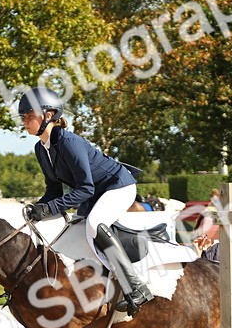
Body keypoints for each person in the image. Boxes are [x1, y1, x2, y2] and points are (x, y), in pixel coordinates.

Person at [18, 86, 153, 315]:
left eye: (29, 116)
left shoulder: (69, 142)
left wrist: (50, 207)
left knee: (93, 225)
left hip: (118, 186)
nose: (25, 121)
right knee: (76, 228)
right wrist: (38, 208)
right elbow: (54, 189)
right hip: (96, 191)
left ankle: (136, 287)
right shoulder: (41, 149)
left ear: (48, 115)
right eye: (23, 117)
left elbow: (85, 189)